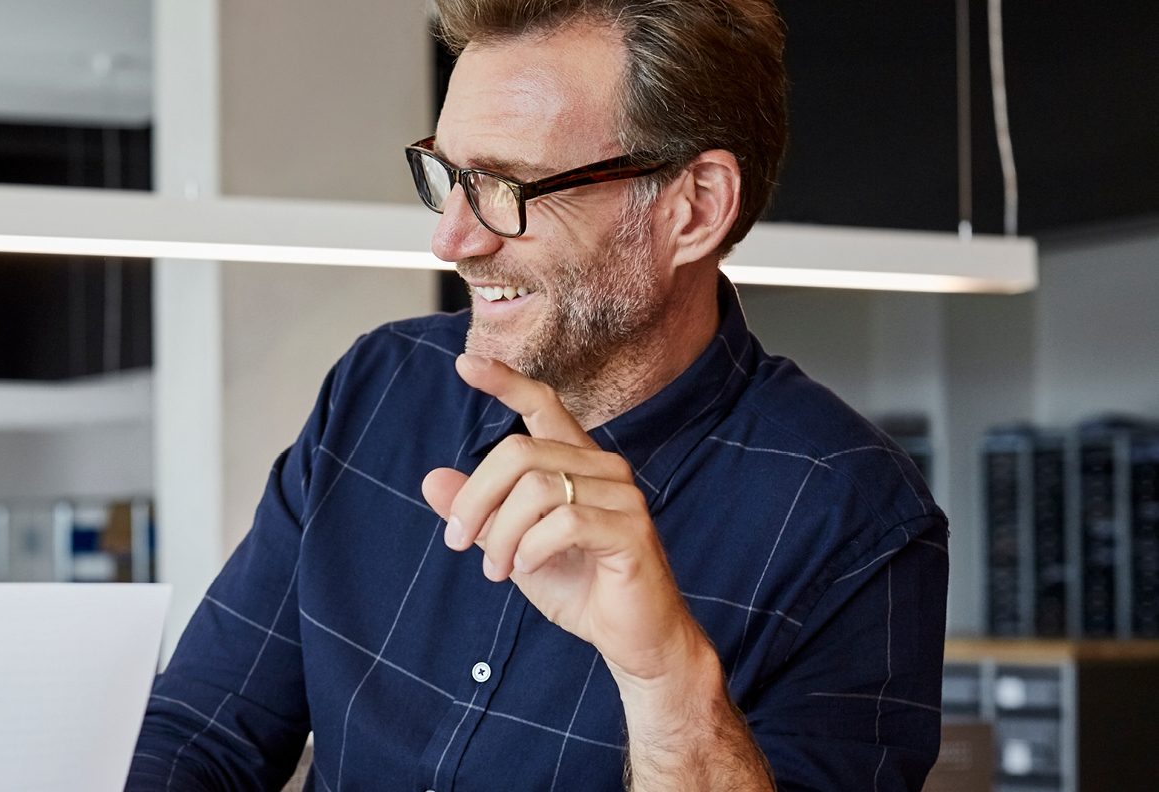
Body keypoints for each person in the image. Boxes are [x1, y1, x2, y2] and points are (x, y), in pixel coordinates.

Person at [128, 1, 948, 789]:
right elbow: (200, 730)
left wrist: (666, 676)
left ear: (693, 208)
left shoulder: (858, 522)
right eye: (449, 175)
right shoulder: (381, 389)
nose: (451, 239)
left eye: (507, 187)